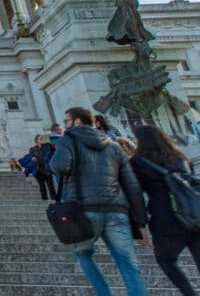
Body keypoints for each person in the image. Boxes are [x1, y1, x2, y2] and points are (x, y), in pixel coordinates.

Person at [49, 106, 148, 296]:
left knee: (83, 254)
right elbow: (132, 186)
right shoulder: (114, 146)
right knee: (128, 265)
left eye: (67, 121)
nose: (65, 125)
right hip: (116, 210)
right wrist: (141, 221)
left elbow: (59, 167)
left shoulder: (67, 140)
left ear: (77, 122)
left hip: (83, 209)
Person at [130, 124, 200, 295]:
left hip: (165, 220)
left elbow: (135, 197)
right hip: (194, 215)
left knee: (165, 260)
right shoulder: (178, 156)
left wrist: (138, 227)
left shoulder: (137, 162)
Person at [29, 134, 56, 201]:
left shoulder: (47, 147)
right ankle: (44, 199)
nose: (42, 140)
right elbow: (30, 157)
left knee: (51, 185)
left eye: (42, 138)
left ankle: (54, 199)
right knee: (42, 186)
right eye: (40, 139)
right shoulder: (32, 149)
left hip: (47, 168)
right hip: (38, 170)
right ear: (36, 141)